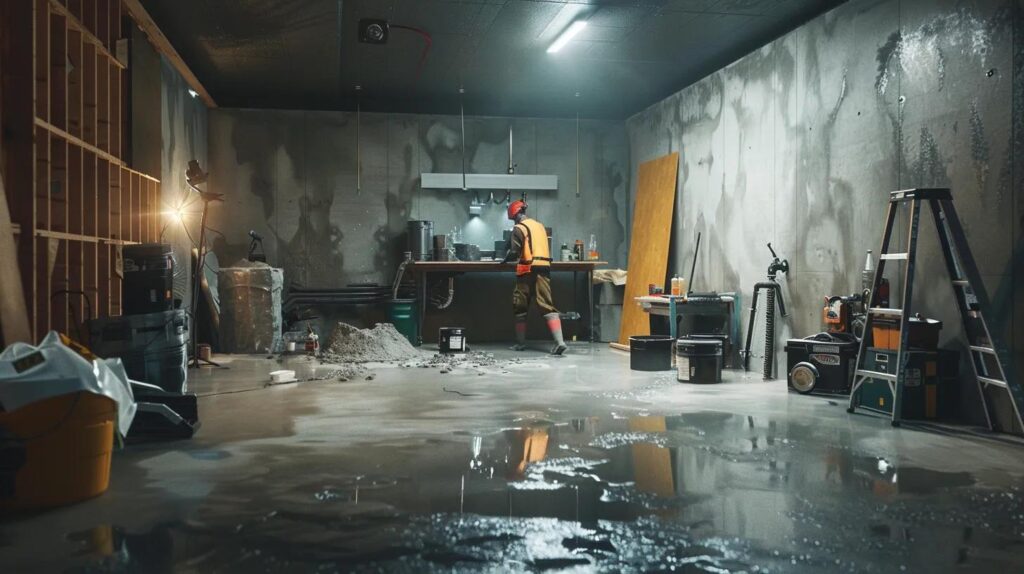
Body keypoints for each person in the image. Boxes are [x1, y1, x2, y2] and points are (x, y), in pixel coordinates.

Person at [500, 199, 567, 355]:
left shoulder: (519, 228)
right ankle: (560, 342)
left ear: (515, 214)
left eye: (512, 218)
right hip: (544, 268)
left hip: (527, 270)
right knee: (546, 305)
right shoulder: (540, 226)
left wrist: (504, 259)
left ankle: (520, 344)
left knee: (520, 306)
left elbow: (515, 252)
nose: (513, 221)